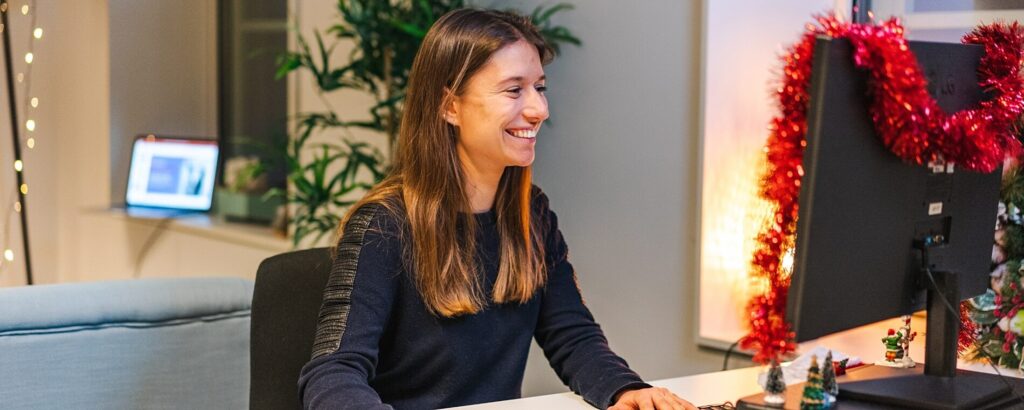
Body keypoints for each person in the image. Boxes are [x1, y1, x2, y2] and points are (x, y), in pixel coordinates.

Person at [298, 8, 696, 410]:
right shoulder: (383, 225)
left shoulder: (531, 214)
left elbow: (572, 337)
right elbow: (333, 372)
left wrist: (626, 389)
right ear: (450, 106)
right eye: (513, 90)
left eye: (539, 87)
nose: (539, 109)